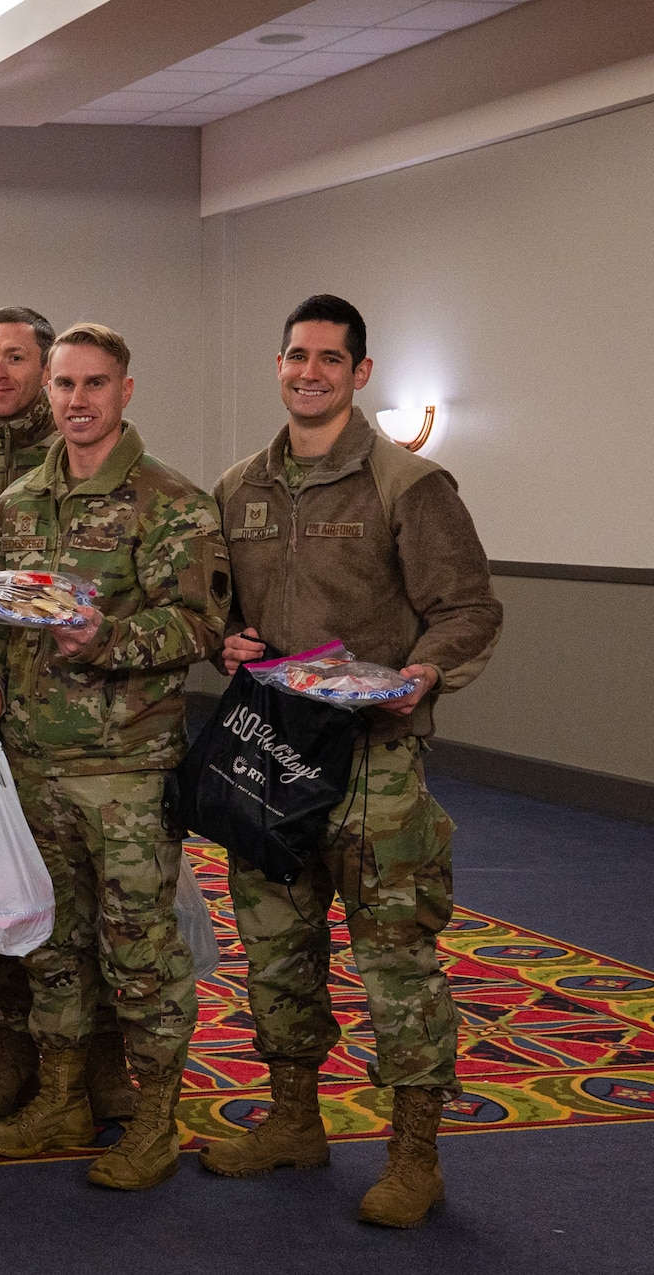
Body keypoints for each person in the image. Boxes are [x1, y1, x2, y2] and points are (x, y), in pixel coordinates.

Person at [200, 294, 501, 1228]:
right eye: (297, 355)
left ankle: (415, 1156)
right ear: (279, 363)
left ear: (359, 372)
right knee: (276, 949)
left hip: (375, 758)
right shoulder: (238, 485)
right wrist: (227, 642)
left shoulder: (410, 485)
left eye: (330, 359)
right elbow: (216, 608)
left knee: (395, 961)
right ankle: (295, 1120)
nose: (309, 372)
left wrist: (425, 670)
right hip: (273, 751)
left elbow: (470, 609)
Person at [0, 322, 229, 1190]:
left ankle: (156, 1121)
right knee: (54, 943)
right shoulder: (17, 505)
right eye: (65, 385)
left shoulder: (171, 501)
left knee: (140, 953)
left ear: (126, 390)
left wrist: (108, 637)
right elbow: (0, 618)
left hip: (126, 767)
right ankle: (66, 1098)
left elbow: (200, 625)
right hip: (35, 758)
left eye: (94, 384)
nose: (76, 400)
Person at [0, 306, 136, 1124]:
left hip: (92, 722)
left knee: (99, 906)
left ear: (45, 372)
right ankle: (9, 1050)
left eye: (16, 358)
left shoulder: (83, 457)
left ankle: (103, 1057)